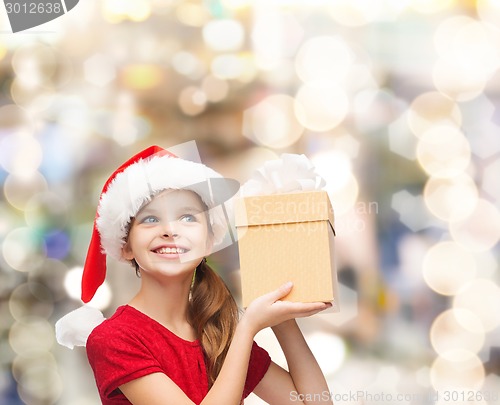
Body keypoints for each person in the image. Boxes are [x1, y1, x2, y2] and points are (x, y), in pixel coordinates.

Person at [61, 145, 333, 405]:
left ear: (209, 241)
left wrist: (280, 319)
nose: (169, 229)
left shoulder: (216, 333)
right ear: (127, 245)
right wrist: (249, 327)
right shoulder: (114, 339)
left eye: (188, 217)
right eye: (150, 219)